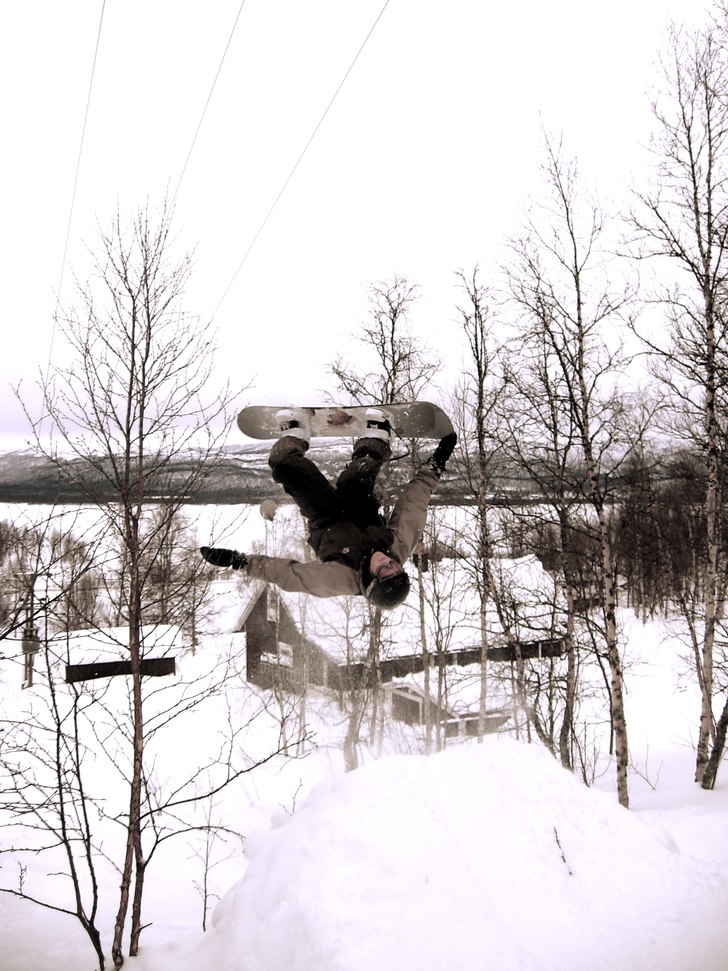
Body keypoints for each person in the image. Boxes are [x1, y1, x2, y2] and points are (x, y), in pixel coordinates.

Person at [200, 409, 457, 610]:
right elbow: (414, 504)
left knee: (285, 466)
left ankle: (295, 435)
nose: (386, 560)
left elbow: (288, 575)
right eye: (395, 566)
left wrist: (239, 561)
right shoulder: (398, 548)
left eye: (382, 570)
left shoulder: (337, 580)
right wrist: (437, 462)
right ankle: (377, 439)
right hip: (360, 507)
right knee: (354, 479)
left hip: (326, 518)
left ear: (369, 581)